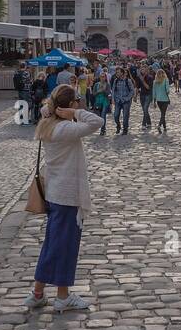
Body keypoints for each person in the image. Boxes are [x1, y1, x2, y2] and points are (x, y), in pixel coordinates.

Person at [25, 84, 102, 312]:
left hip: (54, 193)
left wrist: (54, 111)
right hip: (67, 195)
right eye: (76, 101)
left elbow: (43, 109)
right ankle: (62, 296)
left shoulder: (47, 124)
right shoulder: (65, 129)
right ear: (69, 105)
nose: (79, 103)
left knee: (52, 243)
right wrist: (74, 114)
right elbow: (97, 122)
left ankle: (38, 293)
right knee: (65, 246)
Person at [110, 68, 134, 135]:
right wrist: (112, 99)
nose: (117, 74)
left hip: (126, 101)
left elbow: (132, 91)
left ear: (122, 73)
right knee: (116, 115)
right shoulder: (116, 80)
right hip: (118, 100)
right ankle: (118, 125)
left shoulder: (128, 81)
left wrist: (127, 98)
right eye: (116, 72)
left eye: (118, 72)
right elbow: (113, 90)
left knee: (125, 116)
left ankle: (125, 129)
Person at [135, 65, 153, 129]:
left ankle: (143, 124)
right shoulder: (139, 77)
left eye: (144, 69)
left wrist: (143, 80)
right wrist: (135, 96)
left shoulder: (150, 77)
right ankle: (149, 122)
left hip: (148, 95)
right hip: (142, 95)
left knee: (145, 109)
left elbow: (148, 87)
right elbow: (137, 87)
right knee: (145, 110)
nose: (142, 71)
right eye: (141, 70)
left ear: (147, 70)